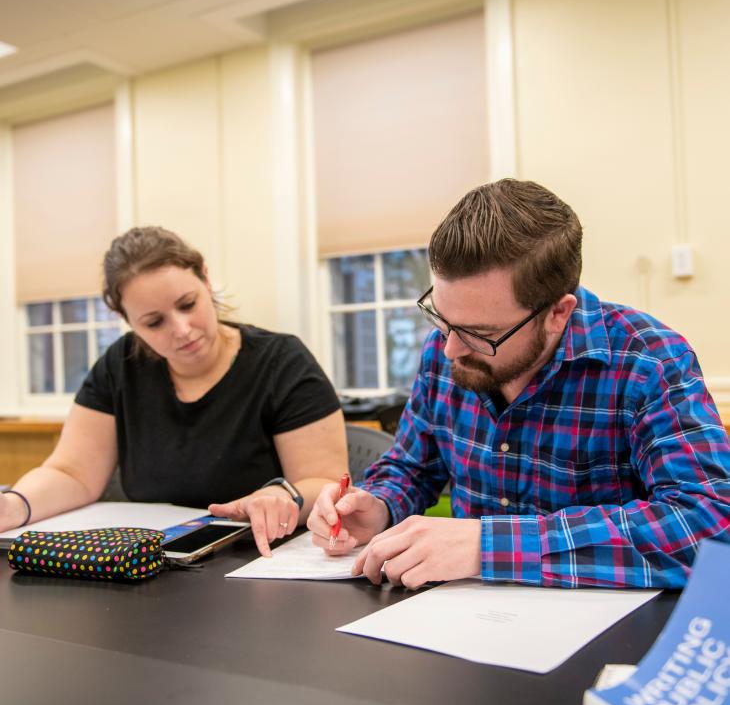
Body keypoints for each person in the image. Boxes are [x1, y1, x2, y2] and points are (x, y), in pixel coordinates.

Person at [308, 179, 730, 589]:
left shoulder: (648, 361)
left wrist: (489, 545)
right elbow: (413, 468)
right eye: (440, 317)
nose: (451, 349)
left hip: (603, 632)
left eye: (480, 333)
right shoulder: (447, 347)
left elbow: (709, 525)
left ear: (558, 313)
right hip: (462, 619)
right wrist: (379, 505)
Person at [0, 226, 347, 556]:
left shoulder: (282, 363)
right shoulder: (120, 365)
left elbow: (326, 483)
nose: (181, 329)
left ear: (206, 279)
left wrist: (281, 494)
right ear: (127, 319)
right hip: (152, 565)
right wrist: (15, 506)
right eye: (154, 322)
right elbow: (72, 473)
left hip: (257, 562)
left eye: (187, 304)